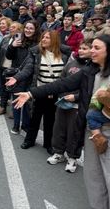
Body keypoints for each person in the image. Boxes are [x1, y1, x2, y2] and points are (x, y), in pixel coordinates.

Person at [12, 35, 110, 209]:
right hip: (91, 132)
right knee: (93, 177)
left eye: (96, 48)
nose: (91, 51)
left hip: (108, 131)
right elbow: (62, 84)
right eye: (91, 47)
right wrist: (31, 93)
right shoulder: (89, 71)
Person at [6, 30, 71, 154]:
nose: (44, 39)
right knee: (35, 117)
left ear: (55, 41)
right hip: (39, 91)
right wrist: (17, 77)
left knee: (50, 119)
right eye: (43, 37)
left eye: (48, 37)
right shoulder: (36, 52)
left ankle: (48, 144)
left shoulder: (65, 54)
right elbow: (28, 68)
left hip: (56, 93)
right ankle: (29, 140)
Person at [47, 40, 92, 172]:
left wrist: (76, 97)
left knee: (74, 132)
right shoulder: (72, 63)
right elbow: (62, 80)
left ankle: (72, 158)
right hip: (63, 103)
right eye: (80, 48)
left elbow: (90, 90)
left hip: (78, 106)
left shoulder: (91, 68)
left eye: (85, 48)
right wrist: (58, 94)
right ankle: (58, 153)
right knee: (59, 128)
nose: (81, 51)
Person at [5, 21, 39, 133]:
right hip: (17, 75)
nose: (28, 30)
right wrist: (12, 46)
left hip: (31, 77)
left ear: (36, 30)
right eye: (26, 28)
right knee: (16, 100)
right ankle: (16, 125)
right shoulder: (18, 40)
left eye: (31, 28)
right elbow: (8, 56)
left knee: (27, 102)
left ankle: (25, 125)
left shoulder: (38, 43)